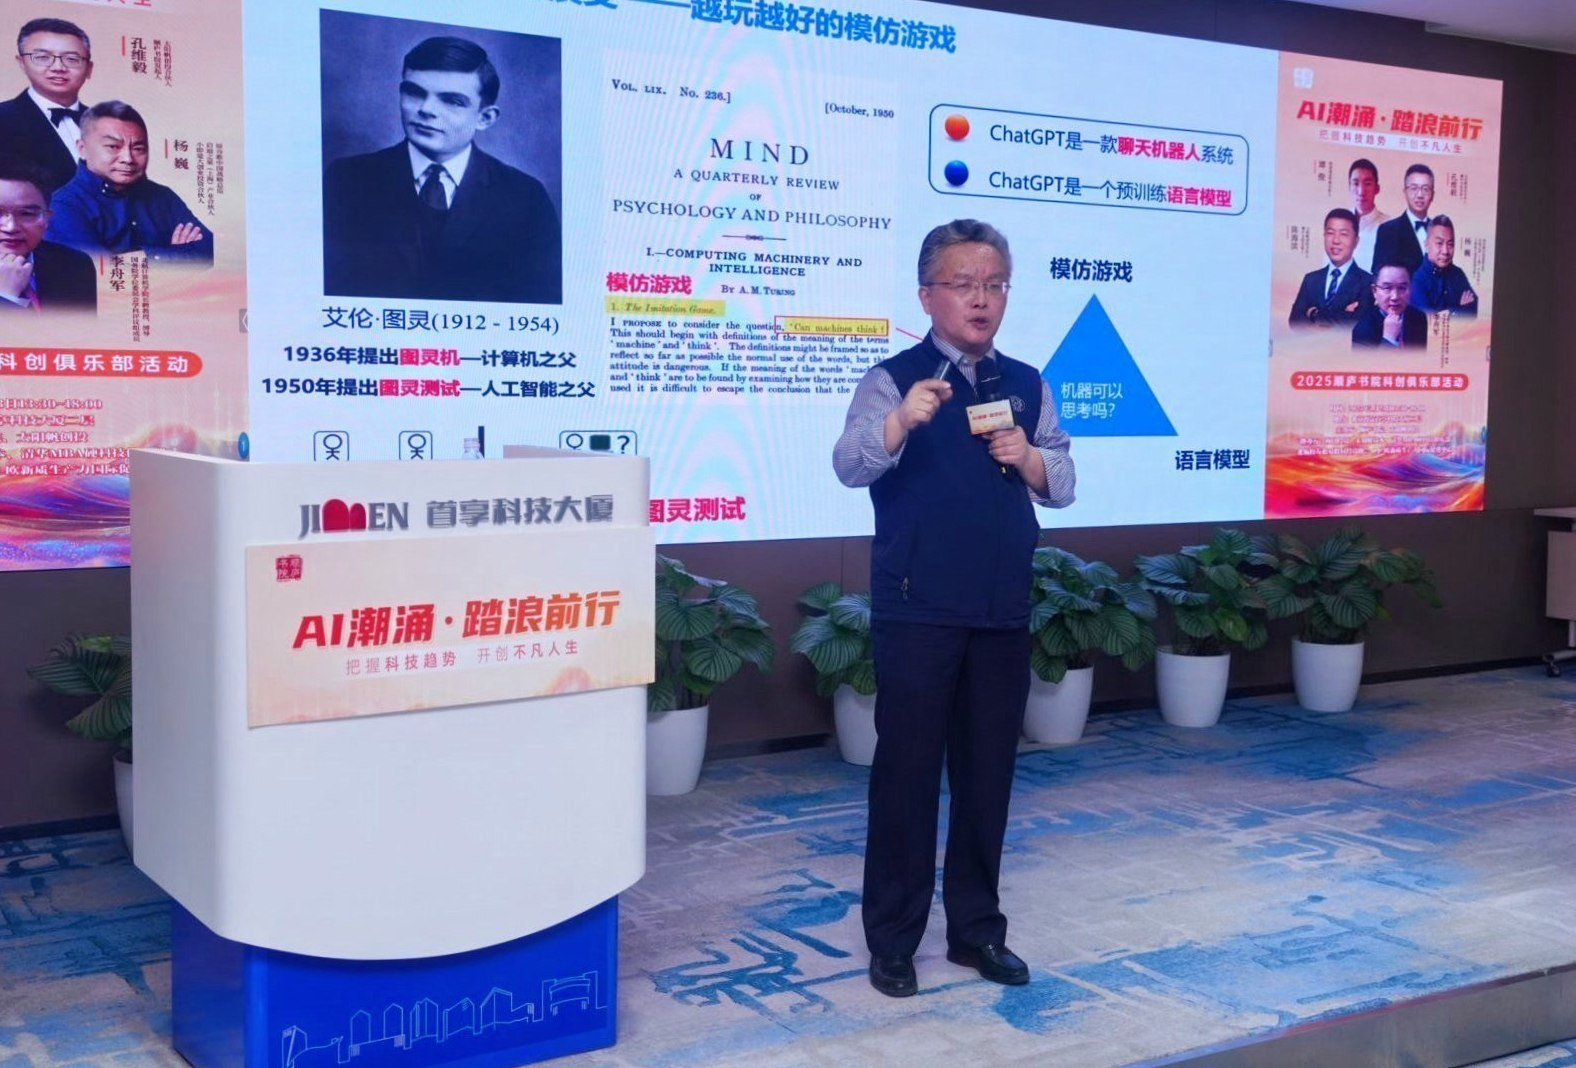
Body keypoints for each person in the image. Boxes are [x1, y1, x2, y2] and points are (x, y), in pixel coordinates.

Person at [833, 219, 1075, 998]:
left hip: (1000, 607)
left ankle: (977, 932)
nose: (982, 299)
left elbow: (1064, 480)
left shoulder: (1026, 383)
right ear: (927, 294)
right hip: (919, 609)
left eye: (995, 284)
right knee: (906, 778)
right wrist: (901, 420)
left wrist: (1029, 458)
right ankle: (893, 940)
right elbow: (849, 464)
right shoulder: (893, 379)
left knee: (987, 777)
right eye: (965, 284)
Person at [322, 35, 561, 305]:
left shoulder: (525, 197)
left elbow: (544, 300)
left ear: (485, 118)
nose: (426, 109)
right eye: (414, 92)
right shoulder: (347, 179)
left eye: (452, 101)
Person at [45, 100, 213, 264]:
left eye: (138, 148)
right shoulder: (63, 206)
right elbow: (101, 274)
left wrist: (134, 259)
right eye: (113, 147)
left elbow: (210, 252)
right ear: (82, 148)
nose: (128, 158)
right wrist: (176, 257)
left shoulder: (163, 197)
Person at [0, 18, 93, 193]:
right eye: (43, 57)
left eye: (72, 59)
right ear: (22, 63)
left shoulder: (106, 122)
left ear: (89, 68)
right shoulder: (3, 119)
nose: (58, 67)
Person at [0, 161, 95, 312]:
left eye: (26, 214)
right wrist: (6, 298)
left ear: (47, 219)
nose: (11, 227)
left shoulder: (76, 265)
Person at [1289, 208, 1372, 328]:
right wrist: (1342, 315)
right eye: (1330, 233)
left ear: (1356, 241)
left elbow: (1357, 323)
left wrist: (1313, 313)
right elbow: (1295, 321)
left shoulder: (1367, 282)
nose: (1336, 240)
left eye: (1343, 234)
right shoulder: (1311, 279)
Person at [1371, 163, 1435, 277]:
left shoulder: (1439, 230)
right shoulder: (1388, 231)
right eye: (1414, 188)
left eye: (1426, 189)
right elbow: (1378, 273)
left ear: (1433, 195)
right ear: (1405, 192)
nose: (1420, 195)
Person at [1410, 215, 1478, 317]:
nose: (1445, 251)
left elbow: (1474, 309)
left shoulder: (1458, 274)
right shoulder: (1416, 280)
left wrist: (1446, 314)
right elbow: (1429, 322)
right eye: (1439, 243)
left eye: (1450, 244)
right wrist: (1460, 309)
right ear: (1426, 244)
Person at [1352, 263, 1427, 349]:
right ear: (1374, 291)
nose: (1395, 297)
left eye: (1402, 288)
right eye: (1387, 288)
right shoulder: (1361, 331)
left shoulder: (1419, 318)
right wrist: (1389, 339)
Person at [1348, 159, 1388, 273]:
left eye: (1367, 184)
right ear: (1349, 187)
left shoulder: (1390, 227)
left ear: (1377, 188)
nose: (1361, 191)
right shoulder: (1339, 223)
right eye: (1356, 184)